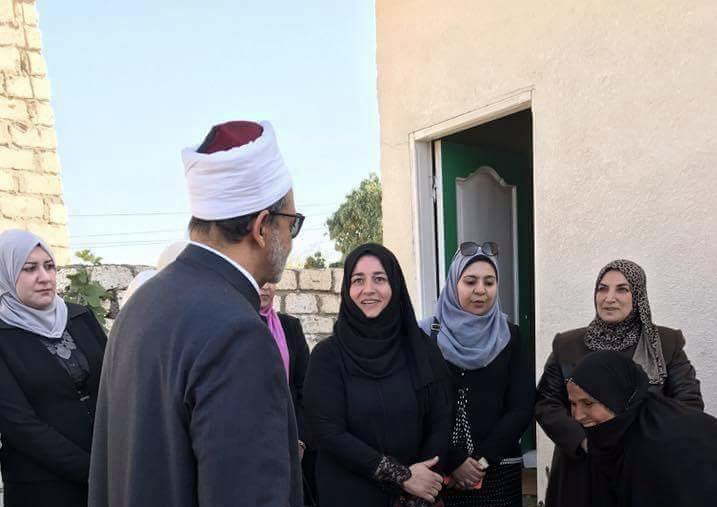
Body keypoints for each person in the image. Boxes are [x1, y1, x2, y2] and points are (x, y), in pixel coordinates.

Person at [89, 121, 304, 507]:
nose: (290, 240)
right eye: (292, 223)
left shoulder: (141, 303)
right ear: (261, 228)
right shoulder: (240, 336)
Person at [535, 259, 703, 507]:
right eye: (602, 288)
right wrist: (582, 441)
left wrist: (644, 444)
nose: (609, 298)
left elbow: (688, 403)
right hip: (582, 470)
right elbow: (546, 402)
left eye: (622, 289)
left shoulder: (665, 344)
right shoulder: (568, 345)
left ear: (638, 296)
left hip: (643, 469)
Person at [304, 243, 453, 507]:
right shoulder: (327, 356)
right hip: (349, 495)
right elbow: (328, 432)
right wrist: (401, 476)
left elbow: (442, 417)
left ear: (395, 285)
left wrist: (421, 483)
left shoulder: (422, 350)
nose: (368, 289)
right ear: (347, 290)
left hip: (415, 499)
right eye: (358, 280)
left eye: (380, 279)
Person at [419, 241, 534, 507]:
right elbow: (420, 407)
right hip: (440, 472)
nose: (480, 290)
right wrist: (454, 460)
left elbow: (521, 406)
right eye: (470, 281)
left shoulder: (510, 335)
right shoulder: (426, 336)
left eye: (489, 282)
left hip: (498, 471)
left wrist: (480, 461)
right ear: (453, 284)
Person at [0, 230, 107, 507]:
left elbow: (115, 383)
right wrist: (90, 470)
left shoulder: (80, 317)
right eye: (29, 268)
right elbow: (20, 425)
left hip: (107, 473)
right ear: (7, 275)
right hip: (43, 487)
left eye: (49, 266)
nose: (44, 277)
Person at [567, 350, 717, 507]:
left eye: (588, 403)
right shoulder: (611, 437)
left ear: (618, 398)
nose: (578, 416)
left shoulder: (664, 447)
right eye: (573, 403)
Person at [258, 282, 317, 505]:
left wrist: (300, 440)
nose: (264, 287)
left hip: (292, 443)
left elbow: (305, 387)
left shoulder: (289, 327)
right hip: (255, 445)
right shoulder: (236, 327)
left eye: (269, 282)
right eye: (258, 282)